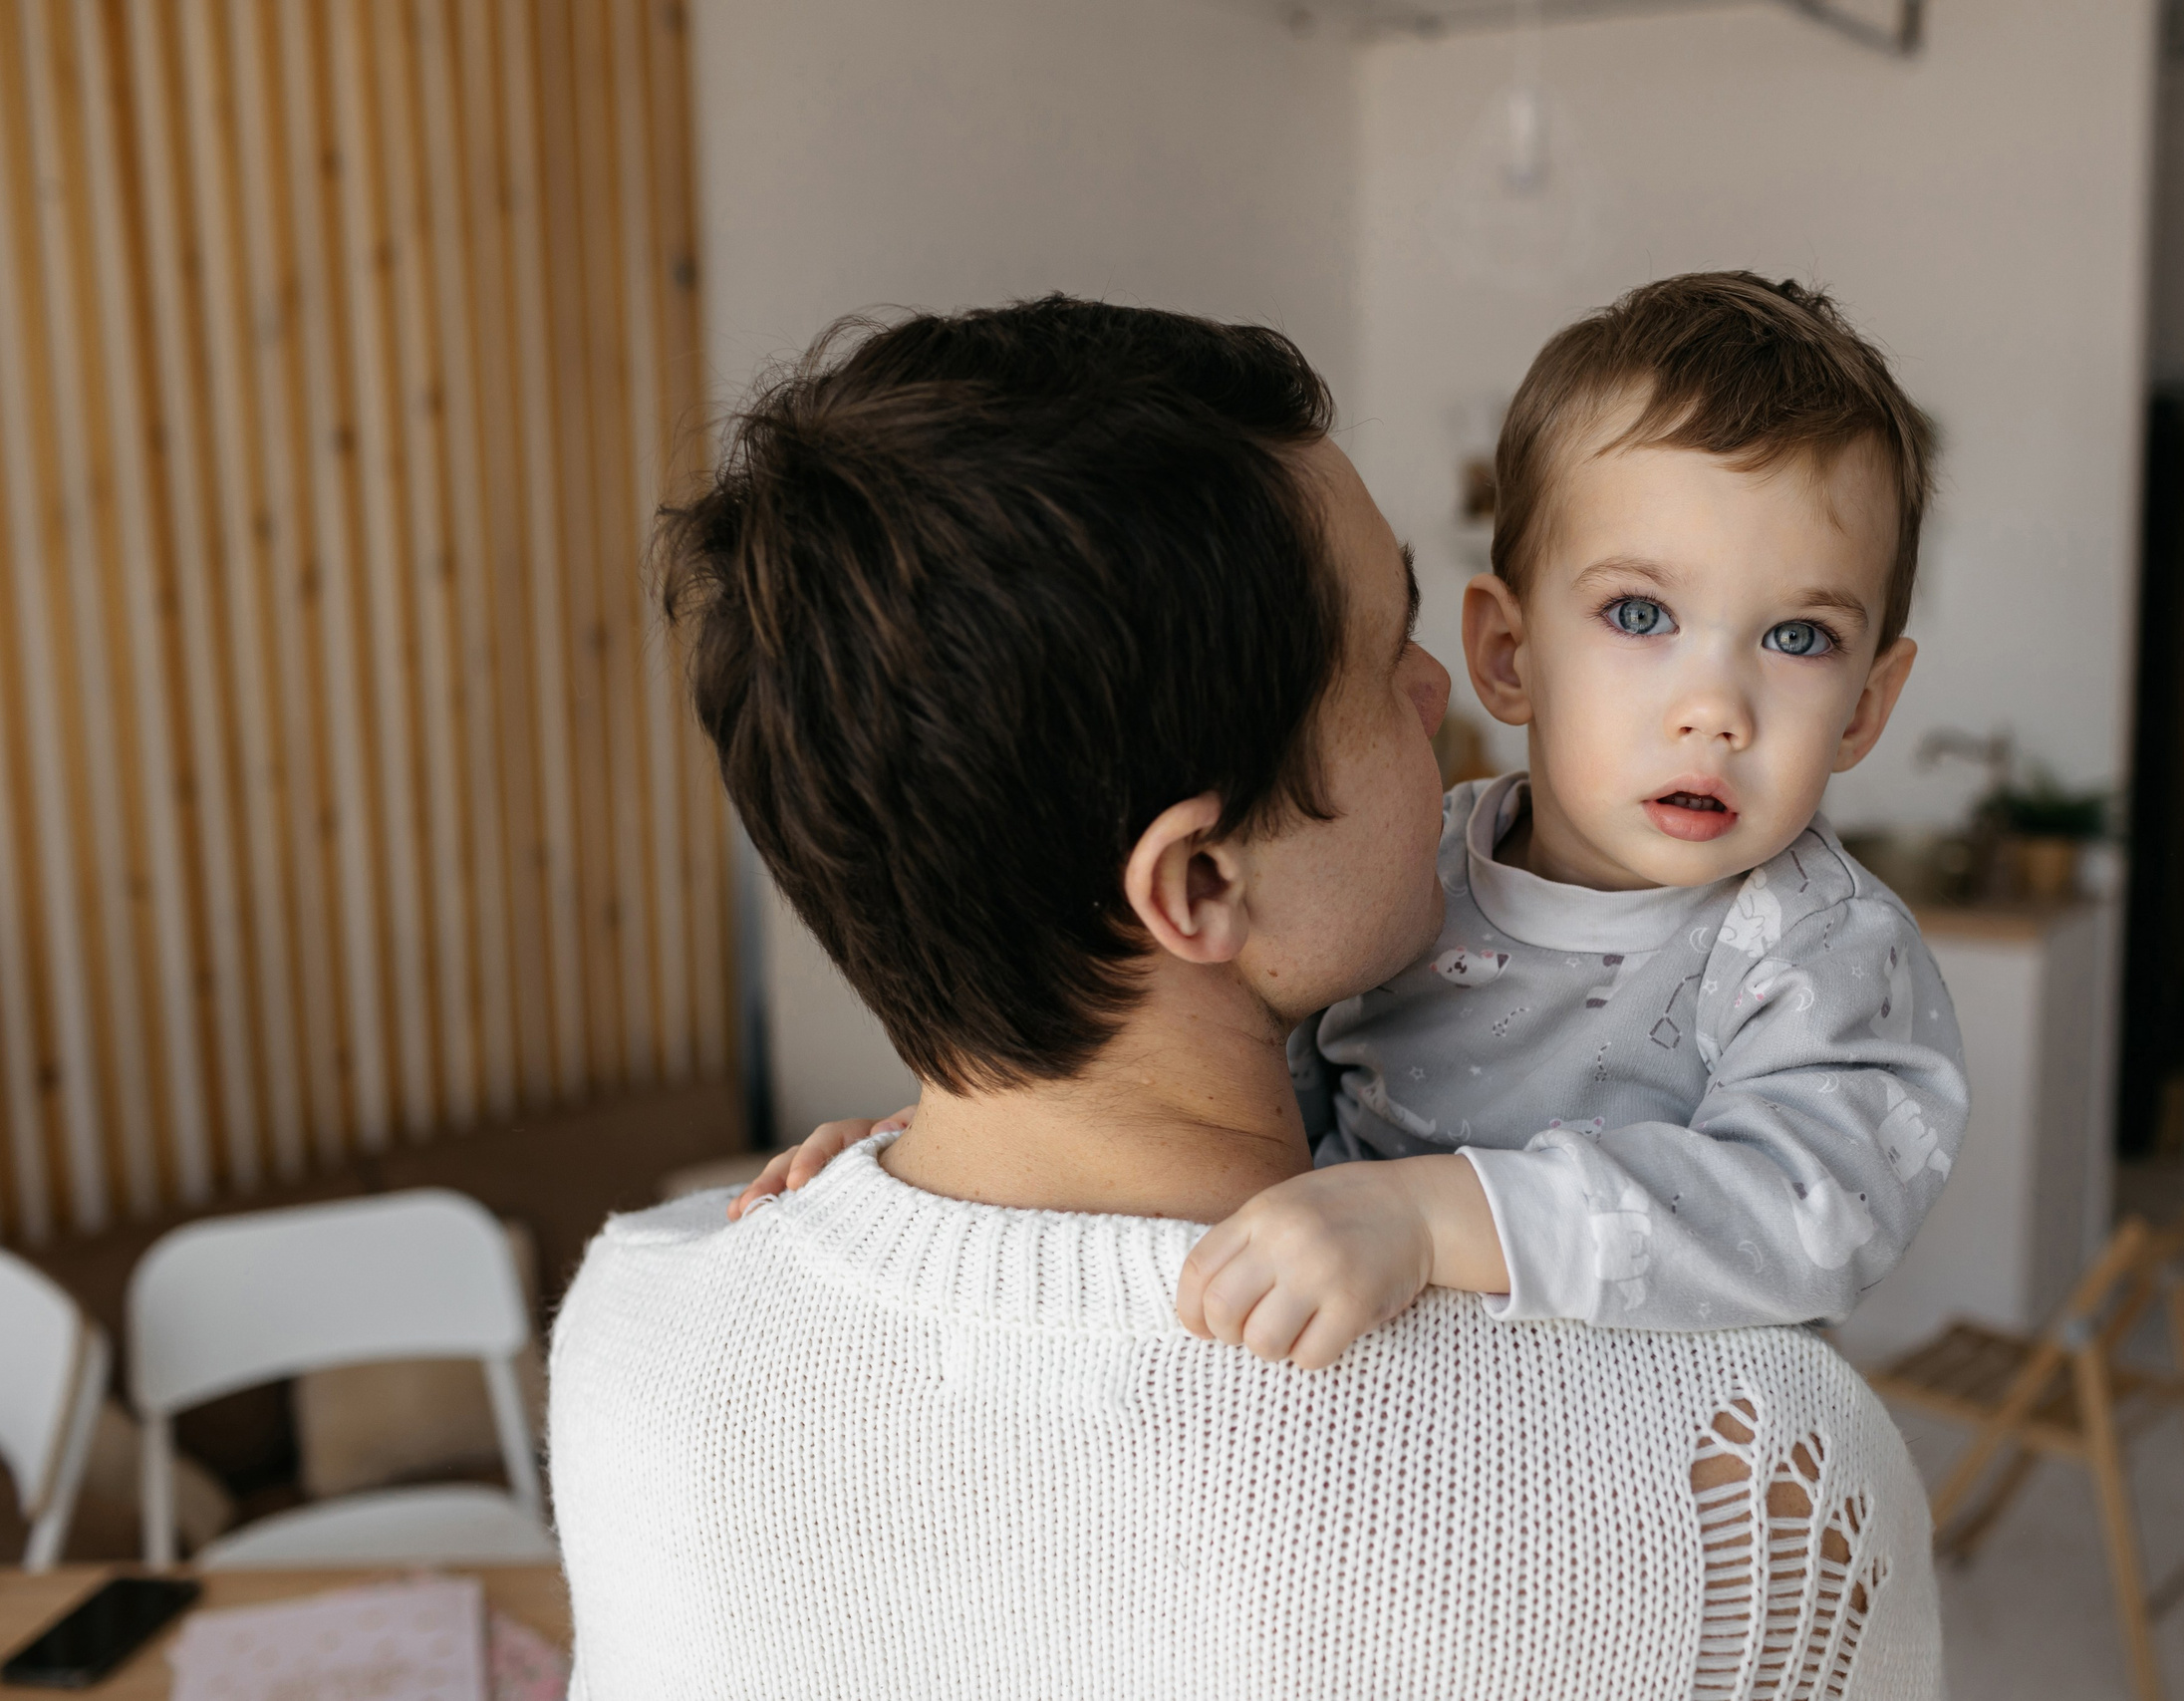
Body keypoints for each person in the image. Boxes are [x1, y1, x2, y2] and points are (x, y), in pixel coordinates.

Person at [550, 295, 1942, 1699]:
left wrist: (918, 1171)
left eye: (1797, 638)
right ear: (1201, 882)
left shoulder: (632, 1317)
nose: (1438, 686)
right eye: (1382, 661)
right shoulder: (1756, 1486)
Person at [742, 274, 1969, 1370]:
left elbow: (1814, 1210)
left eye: (1798, 638)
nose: (1715, 709)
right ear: (1506, 651)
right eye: (1640, 615)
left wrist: (1428, 1217)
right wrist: (946, 1164)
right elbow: (1197, 1090)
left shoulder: (1818, 949)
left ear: (1866, 707)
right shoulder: (1415, 871)